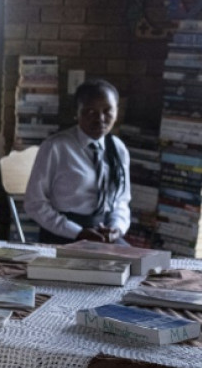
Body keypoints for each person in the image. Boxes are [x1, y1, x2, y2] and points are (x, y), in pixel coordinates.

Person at [24, 78, 130, 244]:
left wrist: (117, 228)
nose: (100, 118)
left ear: (117, 111)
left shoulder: (118, 149)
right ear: (77, 112)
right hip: (63, 234)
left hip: (104, 236)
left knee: (138, 267)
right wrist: (78, 232)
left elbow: (122, 200)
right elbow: (34, 204)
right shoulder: (55, 147)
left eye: (107, 110)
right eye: (90, 112)